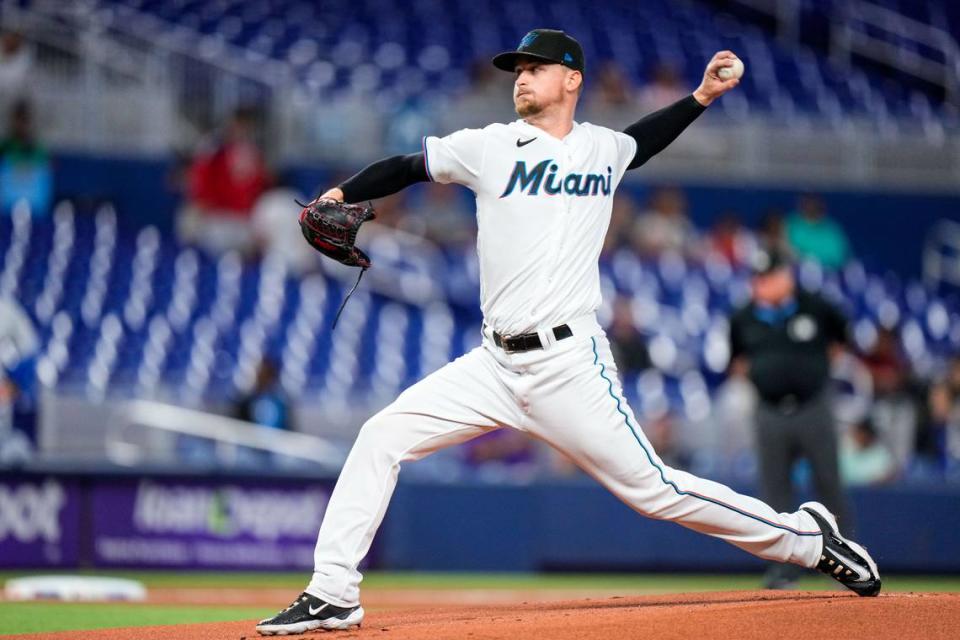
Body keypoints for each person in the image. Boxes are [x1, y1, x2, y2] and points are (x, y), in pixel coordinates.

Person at [257, 30, 880, 636]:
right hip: (493, 366)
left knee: (655, 492)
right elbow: (406, 165)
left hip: (569, 364)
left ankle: (804, 537)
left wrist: (701, 98)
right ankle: (332, 593)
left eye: (535, 67)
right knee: (380, 435)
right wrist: (338, 193)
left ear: (571, 79)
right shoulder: (490, 145)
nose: (521, 77)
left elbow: (644, 140)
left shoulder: (602, 149)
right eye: (517, 69)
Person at [728, 247, 853, 590]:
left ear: (787, 276)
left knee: (829, 484)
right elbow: (736, 360)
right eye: (757, 279)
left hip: (813, 407)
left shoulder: (815, 306)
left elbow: (842, 340)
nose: (762, 285)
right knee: (774, 491)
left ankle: (846, 563)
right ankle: (784, 570)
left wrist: (814, 373)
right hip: (769, 411)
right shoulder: (743, 317)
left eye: (769, 278)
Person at [180, 107, 268, 255]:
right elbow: (199, 181)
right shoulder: (214, 149)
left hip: (244, 220)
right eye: (239, 125)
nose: (243, 131)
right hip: (216, 217)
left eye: (247, 127)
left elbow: (260, 188)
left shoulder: (254, 153)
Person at [0, 99, 53, 217]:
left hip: (35, 211)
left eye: (24, 121)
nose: (21, 125)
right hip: (5, 211)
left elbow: (46, 173)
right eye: (18, 120)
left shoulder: (39, 149)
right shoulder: (5, 147)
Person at [785, 194, 850, 270]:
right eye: (808, 203)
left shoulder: (832, 230)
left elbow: (843, 259)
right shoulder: (790, 224)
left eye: (814, 204)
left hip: (829, 275)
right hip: (794, 273)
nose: (811, 207)